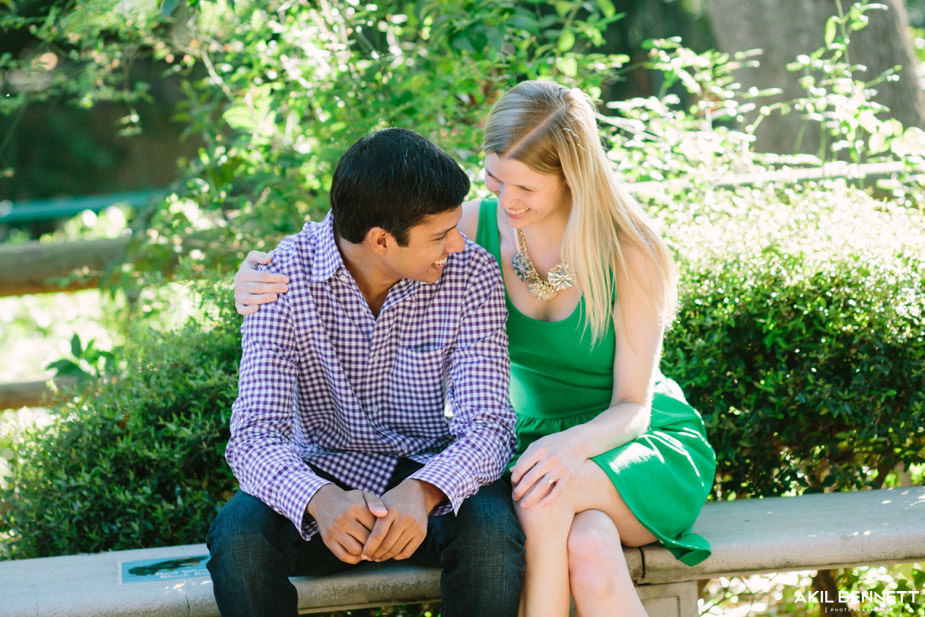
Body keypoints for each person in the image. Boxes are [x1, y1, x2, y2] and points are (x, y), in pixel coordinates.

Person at [234, 81, 715, 617]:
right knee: (590, 550)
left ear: (571, 177)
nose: (506, 200)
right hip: (531, 440)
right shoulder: (469, 228)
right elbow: (365, 230)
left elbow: (634, 404)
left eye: (525, 188)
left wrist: (569, 446)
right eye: (493, 178)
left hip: (623, 434)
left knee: (539, 502)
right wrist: (254, 276)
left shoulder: (629, 251)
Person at [207, 127, 525, 617]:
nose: (457, 246)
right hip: (319, 473)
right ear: (380, 240)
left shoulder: (471, 275)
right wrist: (318, 500)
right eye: (440, 235)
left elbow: (489, 427)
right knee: (240, 540)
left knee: (491, 537)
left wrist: (423, 492)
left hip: (428, 472)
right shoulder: (279, 280)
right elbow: (253, 438)